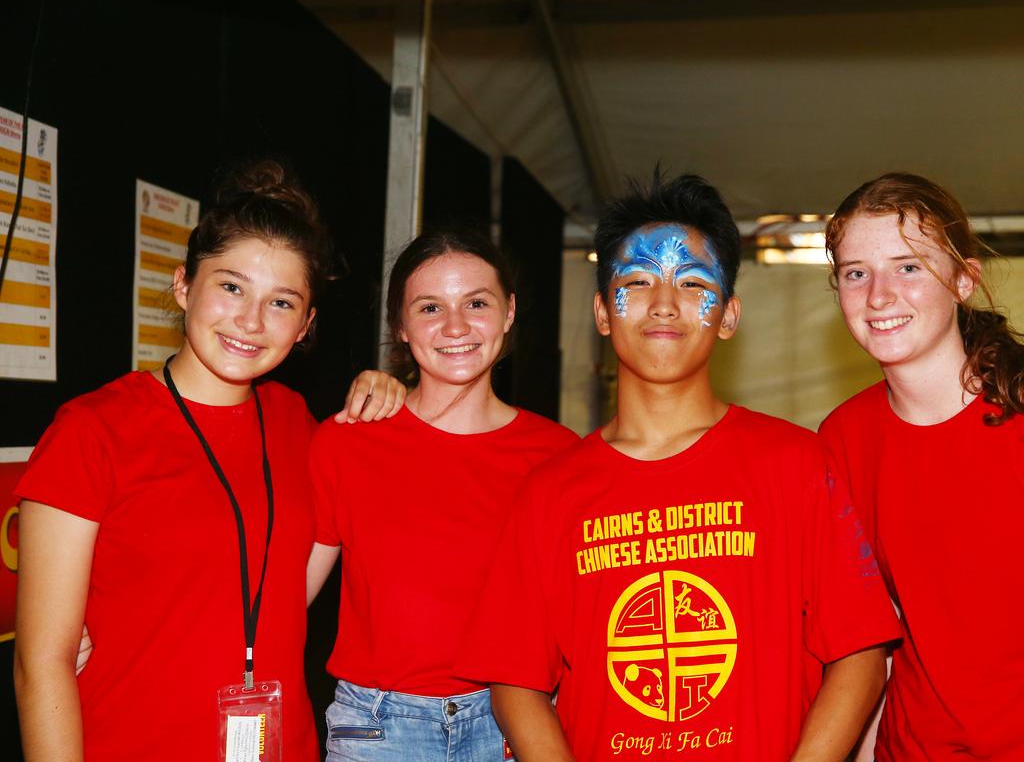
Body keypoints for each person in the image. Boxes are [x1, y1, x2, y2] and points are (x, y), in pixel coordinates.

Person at [457, 172, 902, 761]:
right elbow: (515, 681)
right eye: (637, 281)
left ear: (729, 315)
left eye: (693, 283)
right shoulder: (550, 490)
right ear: (601, 312)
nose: (664, 303)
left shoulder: (794, 463)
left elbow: (861, 655)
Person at [13, 160, 401, 761]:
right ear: (183, 285)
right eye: (230, 286)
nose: (251, 320)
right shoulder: (94, 430)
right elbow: (41, 665)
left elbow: (281, 594)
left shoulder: (302, 426)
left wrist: (394, 390)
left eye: (281, 302)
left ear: (306, 326)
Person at [305, 228, 579, 761]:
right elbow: (283, 601)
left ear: (510, 312)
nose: (455, 326)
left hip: (514, 727)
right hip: (377, 729)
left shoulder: (560, 455)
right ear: (401, 328)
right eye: (430, 307)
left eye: (477, 302)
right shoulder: (348, 438)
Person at [819, 172, 1024, 761]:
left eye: (908, 266)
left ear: (964, 279)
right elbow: (868, 640)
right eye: (856, 273)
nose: (879, 296)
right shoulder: (842, 439)